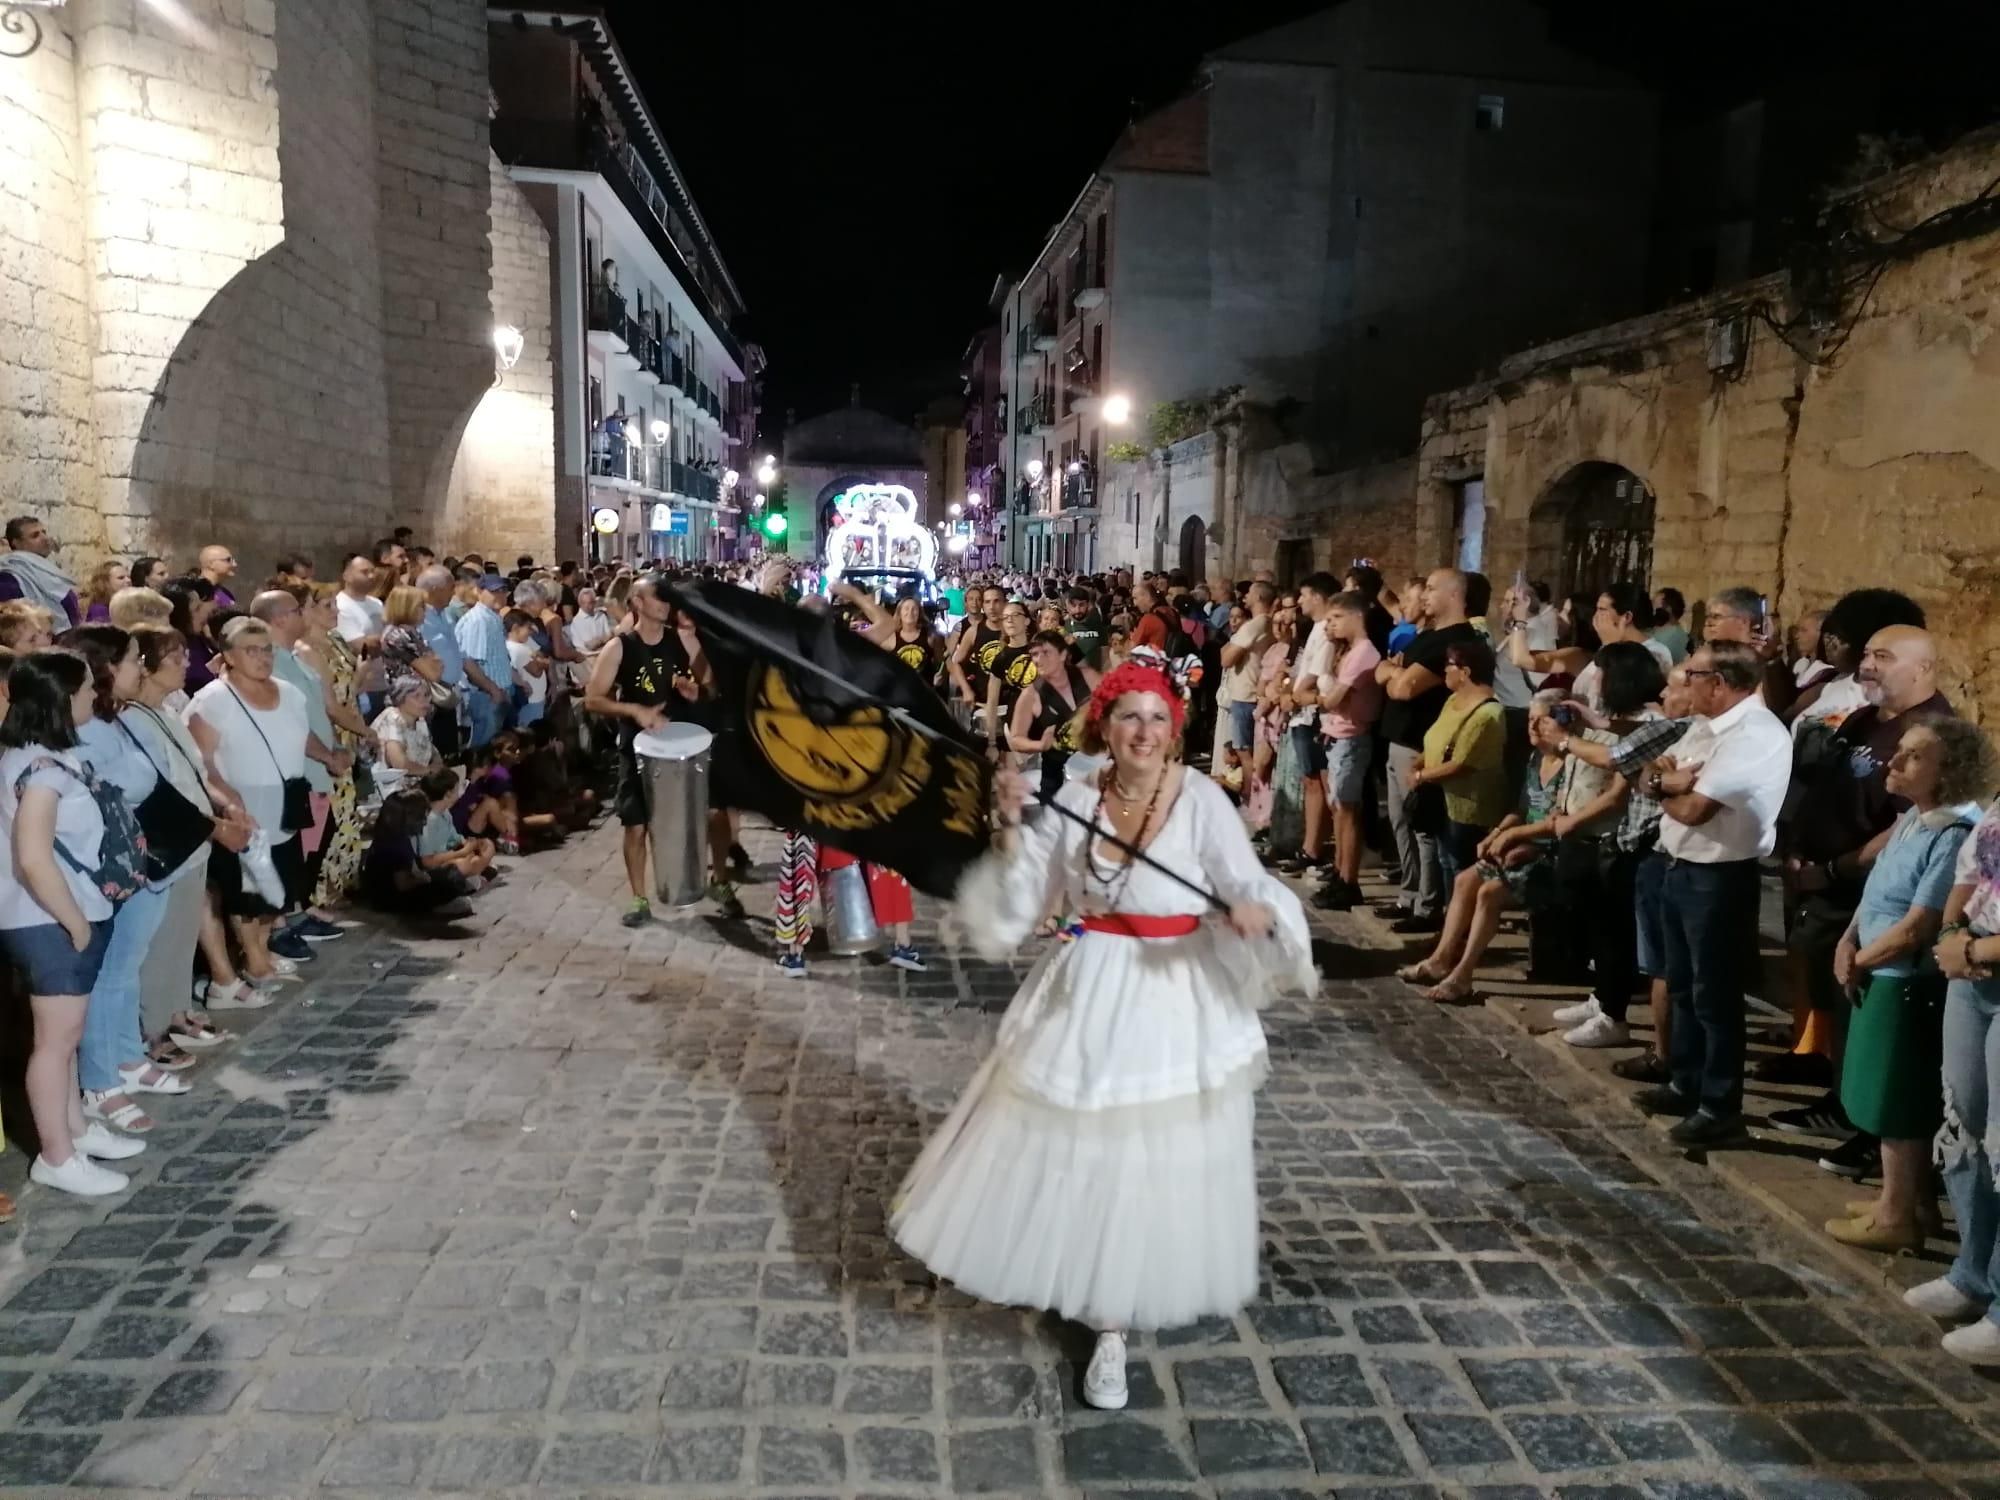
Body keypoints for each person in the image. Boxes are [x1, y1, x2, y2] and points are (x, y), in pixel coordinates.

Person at [890, 648, 1314, 1410]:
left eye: (1157, 718)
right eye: (1129, 717)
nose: (1144, 732)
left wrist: (1256, 910)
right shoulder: (1077, 802)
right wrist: (1012, 827)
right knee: (1078, 1142)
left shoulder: (1202, 800)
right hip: (1088, 982)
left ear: (1174, 730)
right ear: (1103, 728)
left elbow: (1241, 878)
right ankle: (1079, 1272)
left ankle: (1113, 1324)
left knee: (1149, 1153)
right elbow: (1023, 904)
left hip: (1176, 989)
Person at [1769, 621, 1950, 1176]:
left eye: (1883, 656)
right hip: (1823, 885)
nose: (1867, 665)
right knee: (1834, 1000)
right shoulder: (1865, 717)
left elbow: (1906, 823)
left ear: (1921, 668)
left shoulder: (1932, 730)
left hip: (1862, 887)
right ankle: (1840, 1104)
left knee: (1868, 1013)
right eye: (1867, 654)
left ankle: (1874, 1132)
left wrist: (1834, 867)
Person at [1826, 718, 1990, 1253]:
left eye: (1914, 757)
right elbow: (1876, 894)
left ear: (1950, 773)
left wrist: (1862, 961)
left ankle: (1897, 1215)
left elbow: (1920, 924)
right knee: (1877, 1090)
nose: (1894, 763)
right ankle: (1904, 1200)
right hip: (1875, 966)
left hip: (1903, 980)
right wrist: (1847, 941)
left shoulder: (1952, 833)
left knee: (1896, 1099)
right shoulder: (1911, 822)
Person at [1634, 641, 1793, 1148]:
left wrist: (1665, 787)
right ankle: (1687, 1080)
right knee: (1682, 983)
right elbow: (1650, 773)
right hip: (1681, 868)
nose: (1681, 683)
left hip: (1719, 879)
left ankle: (1720, 1106)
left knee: (1715, 995)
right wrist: (1666, 781)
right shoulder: (1708, 727)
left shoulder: (1755, 735)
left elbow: (1696, 809)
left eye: (1692, 675)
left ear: (1720, 683)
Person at [0, 649, 147, 1195]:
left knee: (64, 1036)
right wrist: (75, 923)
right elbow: (34, 857)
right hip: (51, 921)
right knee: (55, 1042)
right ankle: (57, 1156)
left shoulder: (40, 756)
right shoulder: (39, 771)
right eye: (87, 687)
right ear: (62, 698)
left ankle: (75, 1132)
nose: (95, 694)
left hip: (63, 915)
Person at [63, 626, 192, 1134]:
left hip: (141, 859)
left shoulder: (116, 718)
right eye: (135, 659)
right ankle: (100, 1081)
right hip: (113, 864)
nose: (142, 668)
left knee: (126, 969)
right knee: (107, 976)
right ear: (105, 668)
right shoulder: (86, 727)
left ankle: (125, 1056)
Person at [186, 617, 343, 987]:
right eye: (250, 651)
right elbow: (201, 761)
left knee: (278, 889)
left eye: (266, 650)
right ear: (229, 656)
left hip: (285, 800)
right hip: (243, 805)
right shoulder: (213, 701)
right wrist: (227, 799)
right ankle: (254, 959)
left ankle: (260, 948)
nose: (262, 658)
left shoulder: (289, 693)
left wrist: (328, 757)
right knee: (246, 891)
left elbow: (300, 735)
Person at [582, 574, 745, 926]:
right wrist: (634, 710)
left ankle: (719, 881)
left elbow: (711, 686)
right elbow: (592, 699)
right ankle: (639, 898)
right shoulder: (619, 647)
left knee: (714, 812)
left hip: (685, 741)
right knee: (636, 824)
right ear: (638, 603)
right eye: (659, 597)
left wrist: (696, 690)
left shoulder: (683, 641)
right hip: (639, 747)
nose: (667, 603)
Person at [1399, 689, 1569, 1002]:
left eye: (1541, 721)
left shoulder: (1569, 764)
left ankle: (1463, 974)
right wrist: (1497, 833)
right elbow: (1521, 809)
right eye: (1530, 720)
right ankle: (1441, 959)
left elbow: (1560, 823)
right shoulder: (1535, 760)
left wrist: (1516, 839)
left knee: (1489, 892)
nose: (1532, 728)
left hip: (1550, 853)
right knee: (1466, 879)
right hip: (1519, 843)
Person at [121, 624, 242, 1050]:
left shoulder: (167, 711)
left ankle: (176, 1010)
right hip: (172, 841)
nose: (185, 663)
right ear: (147, 667)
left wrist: (223, 805)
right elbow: (161, 788)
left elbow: (191, 771)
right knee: (162, 939)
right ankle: (154, 1027)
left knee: (183, 933)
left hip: (195, 839)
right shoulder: (131, 719)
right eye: (173, 658)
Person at [1916, 794, 2000, 1364]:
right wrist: (1952, 932)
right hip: (1972, 974)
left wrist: (1972, 946)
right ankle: (1971, 1271)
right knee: (1963, 1120)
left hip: (1985, 957)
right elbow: (1972, 868)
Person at [1378, 569, 1481, 931]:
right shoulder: (1428, 638)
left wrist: (1394, 673)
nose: (1424, 597)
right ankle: (1409, 894)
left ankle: (1427, 905)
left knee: (1423, 827)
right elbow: (1384, 673)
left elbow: (1404, 688)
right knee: (1401, 822)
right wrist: (1394, 673)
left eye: (1432, 590)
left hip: (1421, 744)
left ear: (1455, 595)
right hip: (1398, 738)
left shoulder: (1455, 642)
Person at [1404, 637, 1508, 894]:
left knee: (1461, 866)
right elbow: (1434, 739)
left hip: (1468, 806)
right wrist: (1418, 764)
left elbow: (1462, 762)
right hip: (1442, 799)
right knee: (1445, 861)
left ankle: (1462, 927)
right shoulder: (1452, 701)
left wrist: (1420, 775)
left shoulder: (1489, 714)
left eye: (1449, 665)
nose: (1444, 671)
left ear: (1465, 672)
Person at [1313, 590, 1383, 911]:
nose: (1332, 625)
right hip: (1338, 736)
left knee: (1347, 811)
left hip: (1351, 737)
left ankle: (1348, 880)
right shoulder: (1350, 651)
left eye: (1337, 618)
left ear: (1357, 616)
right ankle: (1341, 874)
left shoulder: (1364, 653)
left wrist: (1319, 696)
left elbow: (1332, 699)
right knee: (1339, 809)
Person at [1006, 629, 1097, 805]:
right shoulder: (1031, 694)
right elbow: (1016, 739)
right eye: (1034, 654)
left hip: (1093, 768)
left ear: (1063, 655)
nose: (1038, 659)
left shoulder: (1088, 677)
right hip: (1055, 774)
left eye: (1045, 653)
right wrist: (1040, 745)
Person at [362, 786, 475, 920]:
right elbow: (403, 884)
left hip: (382, 895)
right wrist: (426, 878)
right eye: (422, 818)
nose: (424, 823)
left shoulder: (389, 833)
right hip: (390, 900)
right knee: (451, 883)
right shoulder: (397, 844)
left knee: (450, 874)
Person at [454, 573, 514, 749]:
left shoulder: (492, 617)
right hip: (485, 696)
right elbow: (470, 662)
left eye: (503, 591)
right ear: (479, 591)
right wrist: (493, 690)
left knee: (498, 748)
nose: (499, 595)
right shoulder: (478, 620)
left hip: (497, 692)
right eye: (494, 591)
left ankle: (497, 776)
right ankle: (478, 777)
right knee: (485, 749)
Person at [1220, 582, 1274, 767]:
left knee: (1244, 754)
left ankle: (1249, 793)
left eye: (1249, 592)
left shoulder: (1255, 625)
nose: (1245, 596)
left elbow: (1226, 660)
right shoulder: (1268, 622)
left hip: (1245, 694)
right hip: (1255, 693)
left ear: (1259, 597)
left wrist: (1228, 649)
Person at [0, 516, 83, 628]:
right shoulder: (10, 577)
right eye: (35, 536)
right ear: (16, 543)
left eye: (44, 532)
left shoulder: (44, 569)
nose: (44, 538)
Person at [982, 599, 1037, 755]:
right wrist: (992, 743)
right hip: (1017, 728)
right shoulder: (1001, 659)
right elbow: (992, 702)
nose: (1010, 620)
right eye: (1006, 617)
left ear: (1026, 620)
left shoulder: (1042, 649)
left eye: (1015, 615)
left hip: (1045, 726)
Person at [371, 676, 440, 795]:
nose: (424, 701)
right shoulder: (392, 716)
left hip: (416, 788)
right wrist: (430, 770)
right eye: (416, 696)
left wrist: (437, 766)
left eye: (426, 695)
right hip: (391, 792)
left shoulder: (420, 721)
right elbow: (399, 763)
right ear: (400, 698)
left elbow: (434, 753)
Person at [504, 608, 550, 729]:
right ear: (515, 628)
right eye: (527, 628)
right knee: (530, 731)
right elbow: (536, 671)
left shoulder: (512, 646)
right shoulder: (520, 650)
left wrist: (537, 659)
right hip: (532, 701)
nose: (530, 632)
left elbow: (539, 657)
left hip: (531, 700)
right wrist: (541, 662)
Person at [1652, 587, 1691, 663]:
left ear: (1668, 609)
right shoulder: (1661, 630)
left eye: (1654, 605)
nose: (1652, 610)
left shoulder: (1673, 636)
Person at [197, 544, 239, 610]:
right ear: (211, 564)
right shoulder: (195, 593)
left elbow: (232, 612)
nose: (234, 564)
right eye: (228, 560)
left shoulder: (222, 593)